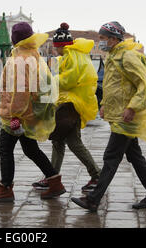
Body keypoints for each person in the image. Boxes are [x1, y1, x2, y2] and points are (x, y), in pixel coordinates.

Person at [71, 21, 146, 212]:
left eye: (103, 38)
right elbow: (113, 86)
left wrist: (132, 108)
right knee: (135, 157)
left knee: (111, 157)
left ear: (114, 39)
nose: (101, 42)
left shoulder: (127, 57)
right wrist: (104, 105)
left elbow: (144, 84)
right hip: (118, 115)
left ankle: (93, 200)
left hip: (126, 117)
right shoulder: (113, 56)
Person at [0, 22, 66, 202]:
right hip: (28, 113)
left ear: (15, 39)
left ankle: (6, 189)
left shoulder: (20, 59)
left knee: (4, 149)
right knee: (31, 149)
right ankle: (55, 182)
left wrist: (15, 115)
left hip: (17, 116)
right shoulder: (33, 54)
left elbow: (21, 91)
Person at [32, 23, 101, 193]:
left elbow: (69, 79)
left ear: (60, 46)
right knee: (58, 141)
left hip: (72, 105)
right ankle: (52, 177)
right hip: (66, 103)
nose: (55, 51)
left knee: (74, 143)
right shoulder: (70, 56)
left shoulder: (73, 56)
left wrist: (50, 81)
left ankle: (97, 175)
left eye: (56, 47)